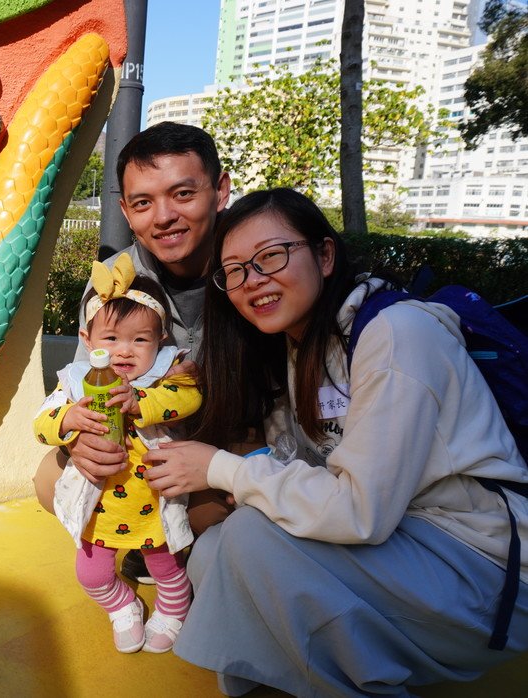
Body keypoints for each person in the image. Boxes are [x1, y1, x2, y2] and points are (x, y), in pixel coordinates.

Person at [141, 188, 528, 696]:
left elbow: (359, 511)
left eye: (270, 256)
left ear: (325, 256)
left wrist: (222, 469)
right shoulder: (302, 345)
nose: (252, 280)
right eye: (234, 271)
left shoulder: (397, 333)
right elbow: (310, 466)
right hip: (410, 542)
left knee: (250, 540)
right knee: (214, 551)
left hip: (484, 571)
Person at [33, 123, 239, 582]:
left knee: (213, 512)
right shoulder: (112, 282)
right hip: (144, 441)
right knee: (51, 479)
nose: (163, 216)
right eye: (143, 202)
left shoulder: (249, 265)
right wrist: (80, 440)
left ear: (220, 191)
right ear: (126, 211)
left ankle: (184, 553)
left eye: (183, 194)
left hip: (230, 436)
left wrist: (229, 463)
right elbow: (89, 381)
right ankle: (141, 546)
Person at [34, 252, 201, 653]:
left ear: (160, 340)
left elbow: (187, 398)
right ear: (87, 341)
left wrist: (141, 401)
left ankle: (174, 608)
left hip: (152, 501)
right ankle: (123, 606)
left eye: (140, 340)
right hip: (98, 505)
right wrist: (68, 419)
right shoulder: (76, 382)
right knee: (91, 575)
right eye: (111, 339)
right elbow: (41, 424)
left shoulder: (164, 374)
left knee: (167, 567)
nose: (124, 352)